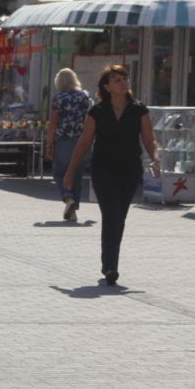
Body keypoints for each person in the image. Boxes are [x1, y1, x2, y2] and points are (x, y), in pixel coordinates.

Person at [64, 64, 160, 287]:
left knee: (119, 217)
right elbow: (84, 143)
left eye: (125, 78)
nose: (123, 82)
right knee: (112, 215)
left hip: (129, 171)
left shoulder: (138, 110)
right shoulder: (97, 112)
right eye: (117, 80)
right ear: (107, 86)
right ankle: (110, 266)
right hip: (103, 170)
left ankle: (109, 262)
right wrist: (70, 172)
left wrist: (155, 157)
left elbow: (149, 139)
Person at [45, 68, 93, 222]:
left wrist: (49, 145)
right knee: (76, 174)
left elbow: (53, 124)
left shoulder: (58, 98)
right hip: (83, 140)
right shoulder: (85, 97)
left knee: (59, 173)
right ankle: (73, 213)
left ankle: (68, 199)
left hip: (64, 141)